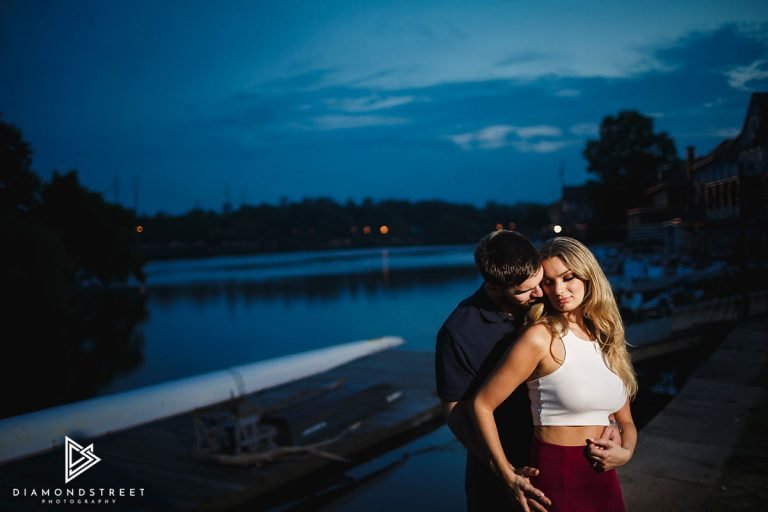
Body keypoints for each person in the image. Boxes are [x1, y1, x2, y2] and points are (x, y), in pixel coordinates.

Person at [472, 236, 638, 512]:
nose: (559, 290)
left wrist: (626, 451)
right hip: (557, 473)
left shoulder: (606, 337)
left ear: (588, 276)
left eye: (568, 277)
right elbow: (482, 405)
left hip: (603, 476)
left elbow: (626, 420)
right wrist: (507, 474)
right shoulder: (540, 337)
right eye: (548, 282)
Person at [436, 230, 552, 511]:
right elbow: (455, 411)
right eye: (524, 290)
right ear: (493, 286)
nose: (539, 293)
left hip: (555, 452)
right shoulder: (458, 331)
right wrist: (504, 471)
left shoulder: (548, 298)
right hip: (498, 468)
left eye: (539, 281)